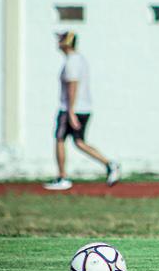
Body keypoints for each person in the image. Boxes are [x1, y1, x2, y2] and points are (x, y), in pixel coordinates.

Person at [43, 31, 120, 190]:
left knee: (60, 139)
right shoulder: (79, 59)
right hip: (82, 108)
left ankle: (62, 177)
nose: (58, 43)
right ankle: (110, 164)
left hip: (71, 108)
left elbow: (73, 86)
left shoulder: (72, 62)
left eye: (61, 40)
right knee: (79, 142)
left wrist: (71, 112)